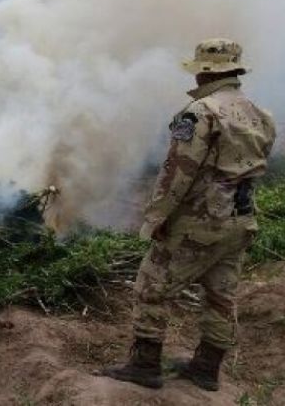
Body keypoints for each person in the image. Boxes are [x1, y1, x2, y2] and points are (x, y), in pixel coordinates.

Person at [102, 38, 276, 391]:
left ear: (204, 73)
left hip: (201, 221)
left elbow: (177, 172)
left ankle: (145, 365)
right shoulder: (261, 114)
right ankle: (206, 369)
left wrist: (156, 219)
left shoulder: (199, 113)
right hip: (241, 219)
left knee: (151, 285)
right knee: (221, 295)